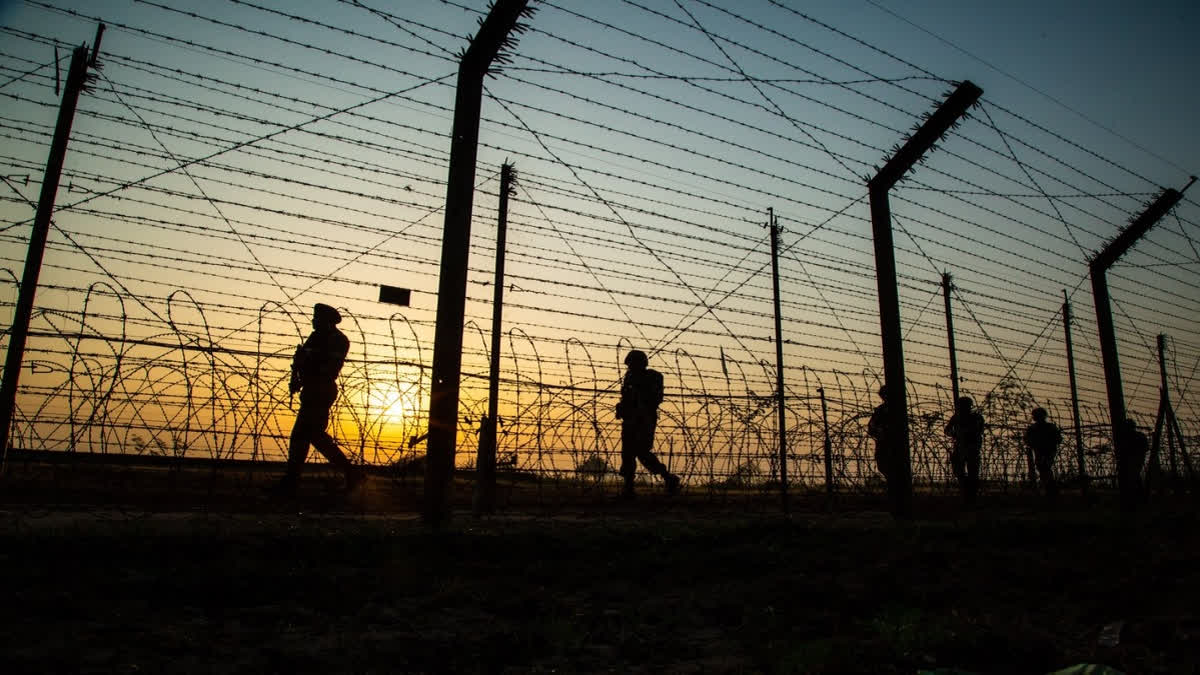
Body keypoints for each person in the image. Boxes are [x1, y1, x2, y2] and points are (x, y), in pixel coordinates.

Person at [275, 303, 364, 496]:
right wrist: (298, 373)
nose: (313, 321)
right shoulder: (316, 337)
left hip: (322, 389)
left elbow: (328, 367)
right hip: (312, 389)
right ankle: (349, 472)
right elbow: (302, 360)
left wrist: (306, 365)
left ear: (326, 320)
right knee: (310, 434)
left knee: (305, 434)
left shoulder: (338, 339)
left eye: (317, 318)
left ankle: (292, 480)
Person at [615, 349, 680, 496]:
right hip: (630, 420)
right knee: (627, 453)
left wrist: (638, 398)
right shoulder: (629, 377)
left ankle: (668, 478)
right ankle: (628, 486)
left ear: (641, 364)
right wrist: (621, 408)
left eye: (632, 364)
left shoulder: (653, 377)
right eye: (629, 365)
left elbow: (655, 399)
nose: (629, 367)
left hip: (644, 420)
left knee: (642, 452)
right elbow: (625, 397)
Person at [944, 396, 984, 504]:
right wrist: (955, 434)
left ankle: (971, 496)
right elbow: (947, 430)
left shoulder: (976, 417)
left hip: (972, 448)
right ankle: (967, 492)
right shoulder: (957, 417)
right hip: (961, 447)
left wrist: (964, 433)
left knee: (972, 474)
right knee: (960, 471)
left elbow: (979, 430)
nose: (962, 408)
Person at [1024, 407, 1062, 499]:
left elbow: (1027, 440)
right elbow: (1027, 439)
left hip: (1045, 450)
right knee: (1044, 468)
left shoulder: (1036, 428)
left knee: (1044, 467)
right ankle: (1050, 490)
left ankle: (1050, 490)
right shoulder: (1048, 427)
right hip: (1044, 450)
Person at [1115, 417, 1148, 508]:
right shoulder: (1139, 436)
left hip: (1132, 461)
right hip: (1137, 460)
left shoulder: (1126, 438)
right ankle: (1139, 499)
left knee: (1132, 477)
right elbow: (1146, 448)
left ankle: (1133, 500)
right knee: (1135, 477)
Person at [867, 385, 893, 483]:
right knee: (883, 466)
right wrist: (879, 431)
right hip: (883, 443)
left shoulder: (897, 409)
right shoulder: (880, 410)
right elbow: (871, 426)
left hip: (891, 444)